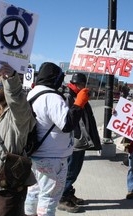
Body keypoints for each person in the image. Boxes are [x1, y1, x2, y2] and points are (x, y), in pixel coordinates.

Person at [24, 62, 89, 216]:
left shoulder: (32, 93)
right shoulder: (52, 97)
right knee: (49, 197)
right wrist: (79, 103)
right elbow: (66, 124)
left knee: (34, 191)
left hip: (36, 153)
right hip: (53, 157)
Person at [0, 63, 36, 216]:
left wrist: (11, 78)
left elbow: (18, 101)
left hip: (13, 177)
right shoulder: (0, 114)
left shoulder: (18, 115)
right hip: (2, 178)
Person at [58, 73, 102, 213]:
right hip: (73, 142)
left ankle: (68, 193)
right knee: (71, 171)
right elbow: (67, 119)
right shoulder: (68, 96)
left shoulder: (80, 95)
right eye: (80, 85)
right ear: (75, 84)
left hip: (80, 141)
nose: (82, 87)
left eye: (83, 85)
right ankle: (62, 198)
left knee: (74, 171)